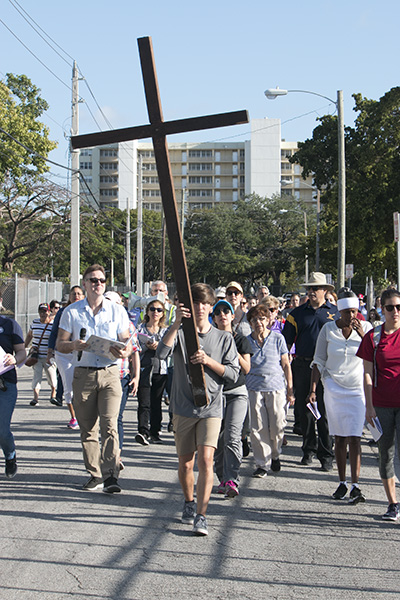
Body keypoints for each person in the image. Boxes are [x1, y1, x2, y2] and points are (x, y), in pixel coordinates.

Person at [156, 283, 240, 536]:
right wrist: (176, 324)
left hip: (212, 407)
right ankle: (189, 502)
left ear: (211, 306)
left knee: (206, 459)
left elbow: (234, 374)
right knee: (185, 463)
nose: (201, 308)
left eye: (205, 303)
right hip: (182, 406)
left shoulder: (224, 338)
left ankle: (202, 515)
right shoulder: (181, 333)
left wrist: (208, 361)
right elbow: (161, 354)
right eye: (196, 303)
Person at [56, 264, 132, 494]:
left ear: (105, 283)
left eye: (100, 280)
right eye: (92, 280)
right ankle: (95, 474)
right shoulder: (72, 311)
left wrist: (124, 351)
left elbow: (127, 342)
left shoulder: (117, 310)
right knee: (88, 428)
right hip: (83, 373)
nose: (97, 284)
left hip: (110, 373)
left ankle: (111, 476)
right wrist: (74, 345)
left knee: (110, 424)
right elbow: (60, 343)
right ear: (85, 283)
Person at [310, 290, 372, 503]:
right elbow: (318, 360)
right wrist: (313, 389)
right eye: (347, 312)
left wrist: (362, 334)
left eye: (354, 311)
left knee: (355, 436)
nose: (351, 316)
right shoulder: (328, 329)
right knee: (339, 437)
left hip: (357, 389)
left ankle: (356, 484)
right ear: (339, 311)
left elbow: (373, 354)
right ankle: (342, 482)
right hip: (334, 388)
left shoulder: (367, 330)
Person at [283, 272, 337, 470]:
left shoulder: (335, 313)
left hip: (327, 367)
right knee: (305, 411)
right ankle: (308, 449)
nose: (311, 291)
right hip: (303, 365)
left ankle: (326, 453)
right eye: (309, 288)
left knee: (324, 410)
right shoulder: (296, 314)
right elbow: (286, 343)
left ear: (325, 290)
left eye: (315, 288)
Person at [357, 288, 400, 521]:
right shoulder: (373, 337)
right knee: (386, 454)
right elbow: (367, 374)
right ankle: (392, 503)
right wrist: (369, 406)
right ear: (381, 309)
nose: (395, 312)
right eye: (390, 307)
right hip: (381, 404)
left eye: (399, 307)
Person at [246, 304, 294, 477]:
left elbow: (286, 364)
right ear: (250, 323)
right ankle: (262, 463)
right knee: (257, 427)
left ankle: (275, 453)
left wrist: (290, 389)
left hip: (276, 387)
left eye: (261, 318)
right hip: (253, 387)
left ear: (268, 320)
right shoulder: (246, 340)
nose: (258, 322)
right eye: (254, 319)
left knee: (277, 424)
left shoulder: (277, 338)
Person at [212, 299, 252, 498]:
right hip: (216, 393)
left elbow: (247, 368)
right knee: (218, 439)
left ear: (232, 316)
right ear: (214, 318)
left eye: (226, 311)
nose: (222, 314)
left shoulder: (240, 339)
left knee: (232, 436)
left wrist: (231, 349)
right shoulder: (210, 339)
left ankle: (232, 479)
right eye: (218, 312)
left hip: (237, 392)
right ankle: (222, 477)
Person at [104, 291, 140, 465]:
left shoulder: (128, 325)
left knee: (116, 417)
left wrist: (136, 376)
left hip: (121, 377)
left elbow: (134, 352)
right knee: (103, 418)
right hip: (100, 375)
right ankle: (103, 454)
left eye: (113, 302)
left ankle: (116, 455)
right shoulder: (99, 323)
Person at [47, 286, 85, 427]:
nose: (76, 296)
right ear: (69, 296)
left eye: (79, 293)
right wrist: (49, 351)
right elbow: (54, 333)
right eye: (73, 294)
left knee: (84, 386)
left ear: (83, 295)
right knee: (69, 386)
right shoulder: (63, 312)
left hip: (82, 354)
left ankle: (85, 416)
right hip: (64, 354)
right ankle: (74, 417)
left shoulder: (86, 310)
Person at [135, 298, 168, 445]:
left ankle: (155, 431)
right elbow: (134, 349)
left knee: (156, 402)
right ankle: (143, 431)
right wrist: (145, 346)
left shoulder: (166, 331)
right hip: (143, 368)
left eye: (159, 310)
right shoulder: (140, 329)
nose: (155, 312)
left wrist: (158, 347)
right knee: (144, 402)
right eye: (152, 309)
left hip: (160, 369)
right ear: (147, 312)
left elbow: (170, 351)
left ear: (162, 314)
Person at [0, 313, 26, 478]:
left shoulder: (9, 324)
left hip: (5, 384)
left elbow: (22, 352)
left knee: (2, 430)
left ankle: (10, 456)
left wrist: (14, 359)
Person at [25, 303, 58, 406]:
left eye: (45, 311)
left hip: (49, 356)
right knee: (36, 376)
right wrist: (23, 347)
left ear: (49, 312)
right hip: (36, 355)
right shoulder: (35, 322)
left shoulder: (53, 325)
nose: (43, 314)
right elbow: (30, 335)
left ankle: (53, 394)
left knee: (52, 377)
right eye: (41, 311)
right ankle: (35, 398)